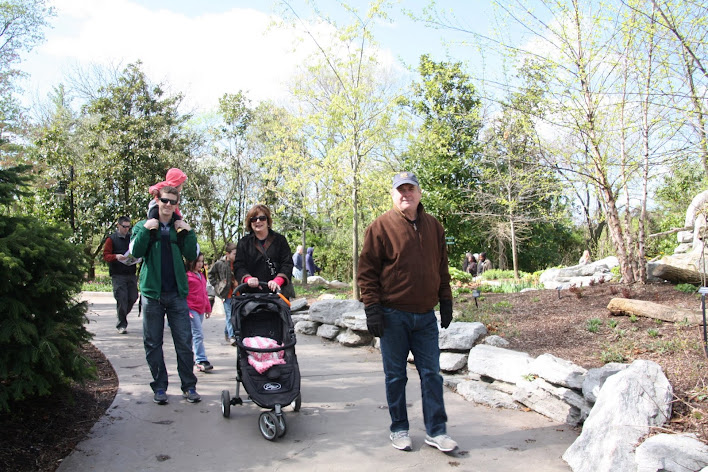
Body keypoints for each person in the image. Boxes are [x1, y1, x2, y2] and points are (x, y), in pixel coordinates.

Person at [357, 171, 457, 453]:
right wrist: (372, 308)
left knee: (432, 374)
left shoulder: (434, 226)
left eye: (410, 189)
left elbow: (442, 266)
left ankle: (437, 431)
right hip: (393, 316)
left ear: (419, 193)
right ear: (393, 195)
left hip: (425, 316)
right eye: (400, 190)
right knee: (395, 376)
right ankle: (399, 428)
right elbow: (367, 273)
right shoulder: (380, 227)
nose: (406, 194)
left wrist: (445, 299)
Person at [129, 185, 201, 405]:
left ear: (177, 204)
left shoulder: (180, 228)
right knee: (153, 343)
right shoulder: (142, 226)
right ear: (157, 201)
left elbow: (191, 254)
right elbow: (135, 252)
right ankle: (159, 387)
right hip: (152, 295)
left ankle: (189, 386)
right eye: (165, 200)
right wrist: (146, 230)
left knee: (184, 342)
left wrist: (188, 232)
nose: (168, 205)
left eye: (172, 201)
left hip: (177, 294)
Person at [234, 204, 294, 296]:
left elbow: (287, 264)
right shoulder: (244, 243)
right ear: (250, 222)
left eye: (262, 218)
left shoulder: (280, 240)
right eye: (254, 219)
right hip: (251, 295)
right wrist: (248, 279)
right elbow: (238, 266)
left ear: (268, 220)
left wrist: (278, 280)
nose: (258, 221)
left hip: (277, 293)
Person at [103, 216, 139, 334]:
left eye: (128, 227)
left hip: (131, 273)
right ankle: (121, 324)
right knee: (122, 298)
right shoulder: (111, 239)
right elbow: (106, 256)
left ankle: (121, 315)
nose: (126, 229)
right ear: (118, 226)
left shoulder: (131, 238)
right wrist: (116, 257)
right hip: (118, 274)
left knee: (133, 297)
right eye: (124, 227)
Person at [186, 253, 213, 372]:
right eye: (198, 261)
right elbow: (183, 294)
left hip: (200, 309)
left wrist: (208, 308)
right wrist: (186, 309)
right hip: (191, 309)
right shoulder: (187, 276)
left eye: (202, 261)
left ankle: (190, 356)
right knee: (198, 334)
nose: (200, 264)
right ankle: (201, 359)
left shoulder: (201, 275)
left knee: (193, 335)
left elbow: (204, 293)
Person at [208, 242, 237, 346]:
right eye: (234, 254)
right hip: (226, 294)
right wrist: (218, 286)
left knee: (234, 315)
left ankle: (227, 331)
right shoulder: (220, 263)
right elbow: (210, 274)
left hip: (237, 293)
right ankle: (232, 336)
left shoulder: (238, 263)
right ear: (227, 254)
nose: (236, 256)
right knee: (230, 315)